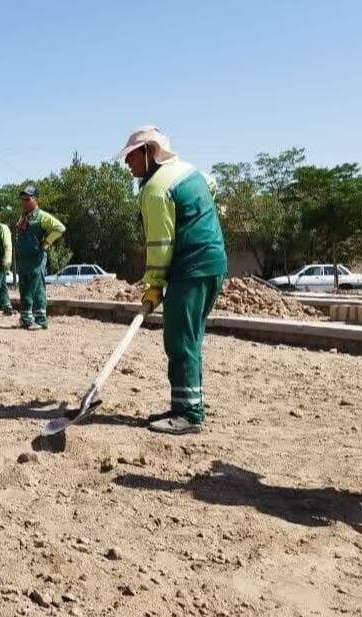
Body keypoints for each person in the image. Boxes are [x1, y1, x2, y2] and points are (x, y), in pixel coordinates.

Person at [117, 126, 227, 435]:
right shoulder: (190, 172)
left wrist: (154, 284)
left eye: (131, 156)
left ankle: (189, 414)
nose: (127, 163)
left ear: (150, 152)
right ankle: (185, 405)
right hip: (212, 263)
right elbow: (212, 186)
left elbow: (160, 244)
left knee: (180, 339)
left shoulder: (154, 190)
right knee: (188, 338)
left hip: (191, 268)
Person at [14, 186, 66, 330]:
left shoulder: (42, 216)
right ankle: (26, 319)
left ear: (35, 199)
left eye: (28, 199)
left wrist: (47, 242)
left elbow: (60, 228)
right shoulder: (23, 216)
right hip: (24, 260)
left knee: (37, 288)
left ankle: (41, 320)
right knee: (24, 288)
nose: (24, 201)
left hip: (36, 260)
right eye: (23, 199)